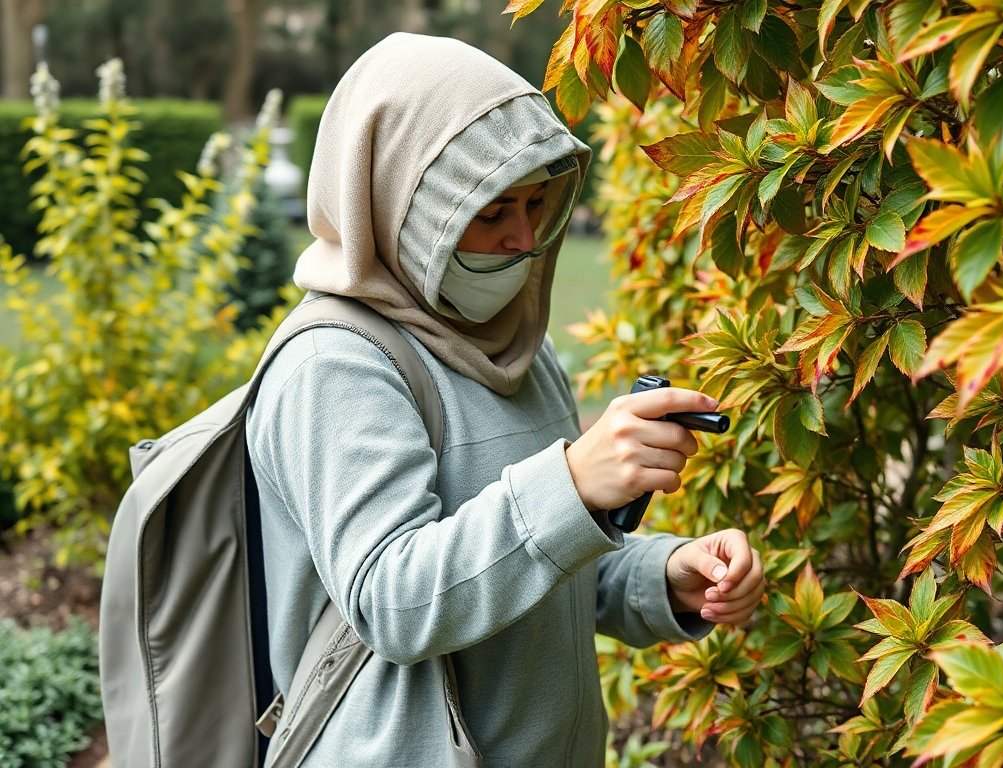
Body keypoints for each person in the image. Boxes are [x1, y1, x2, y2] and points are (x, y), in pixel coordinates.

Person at [243, 32, 765, 766]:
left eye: (536, 203)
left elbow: (536, 569)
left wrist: (666, 577)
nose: (524, 238)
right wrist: (575, 483)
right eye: (491, 213)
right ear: (400, 207)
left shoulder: (511, 340)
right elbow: (393, 603)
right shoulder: (334, 365)